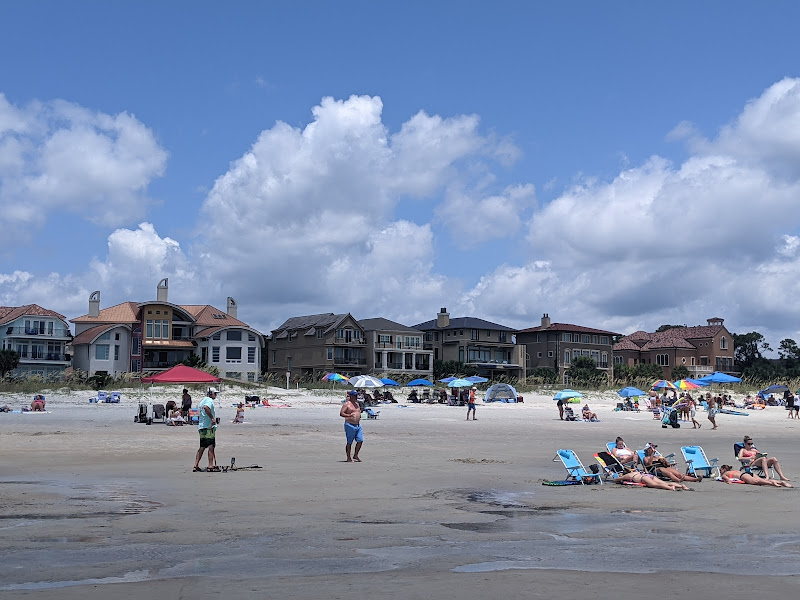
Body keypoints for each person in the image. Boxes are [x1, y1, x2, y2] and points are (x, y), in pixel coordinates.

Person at [193, 387, 219, 472]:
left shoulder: (202, 400)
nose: (216, 395)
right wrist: (212, 418)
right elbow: (206, 407)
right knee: (211, 446)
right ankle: (210, 466)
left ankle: (196, 465)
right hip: (208, 427)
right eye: (215, 393)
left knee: (202, 446)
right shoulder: (209, 401)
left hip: (201, 427)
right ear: (211, 393)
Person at [340, 390, 363, 462]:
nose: (356, 397)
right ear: (351, 396)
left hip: (358, 425)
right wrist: (349, 415)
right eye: (355, 396)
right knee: (349, 442)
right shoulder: (347, 404)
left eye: (357, 396)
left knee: (360, 440)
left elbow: (358, 411)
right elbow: (341, 413)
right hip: (349, 425)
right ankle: (348, 457)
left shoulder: (357, 403)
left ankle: (355, 455)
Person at [720, 465, 792, 487]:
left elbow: (726, 479)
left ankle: (772, 483)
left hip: (743, 476)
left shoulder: (725, 473)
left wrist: (728, 481)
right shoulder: (734, 470)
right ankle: (780, 482)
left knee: (755, 482)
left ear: (724, 469)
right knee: (763, 480)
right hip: (748, 473)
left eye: (720, 470)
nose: (720, 472)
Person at [615, 469, 690, 490]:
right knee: (664, 482)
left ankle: (671, 488)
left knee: (656, 485)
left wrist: (615, 479)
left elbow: (617, 479)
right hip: (648, 475)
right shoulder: (635, 472)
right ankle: (681, 486)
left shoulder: (627, 475)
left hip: (643, 478)